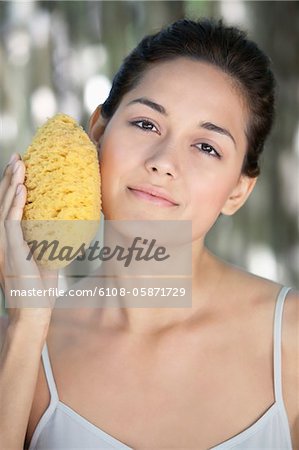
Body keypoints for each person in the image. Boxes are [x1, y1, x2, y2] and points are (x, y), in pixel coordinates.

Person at [0, 17, 298, 450]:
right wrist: (26, 327)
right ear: (98, 132)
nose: (163, 161)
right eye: (146, 124)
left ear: (238, 190)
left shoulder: (290, 342)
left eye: (207, 147)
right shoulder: (23, 346)